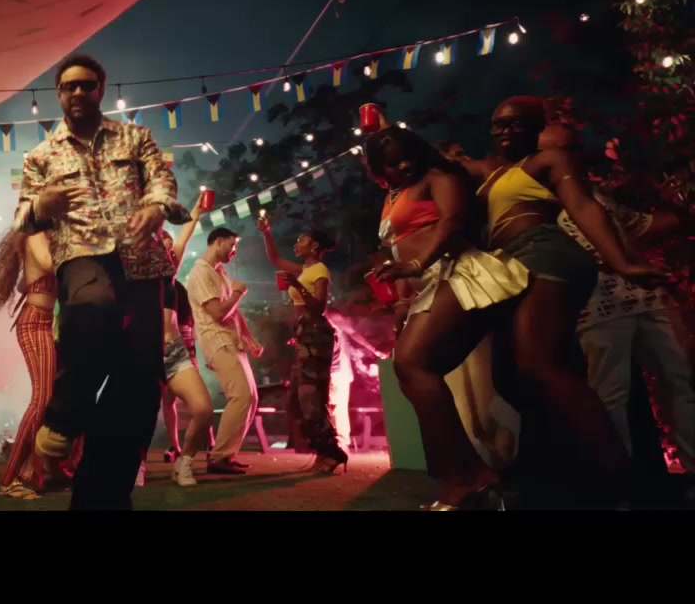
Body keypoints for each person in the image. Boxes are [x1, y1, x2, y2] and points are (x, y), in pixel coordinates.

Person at [460, 95, 665, 507]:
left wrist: (621, 262)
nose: (505, 130)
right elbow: (432, 165)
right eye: (498, 124)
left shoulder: (548, 161)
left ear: (537, 128)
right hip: (506, 268)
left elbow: (585, 207)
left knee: (537, 363)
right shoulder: (487, 170)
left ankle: (621, 477)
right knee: (512, 377)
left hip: (544, 252)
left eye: (516, 123)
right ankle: (568, 473)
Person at [16, 52, 188, 510]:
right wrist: (42, 207)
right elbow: (23, 217)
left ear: (101, 89)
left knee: (139, 387)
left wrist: (156, 207)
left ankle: (101, 496)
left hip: (142, 265)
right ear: (58, 94)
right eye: (68, 86)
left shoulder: (136, 137)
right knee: (92, 310)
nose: (77, 92)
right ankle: (65, 411)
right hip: (81, 259)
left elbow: (163, 182)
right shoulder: (40, 156)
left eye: (86, 85)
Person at [363, 125, 529, 509]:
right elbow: (399, 248)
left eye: (407, 157)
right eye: (392, 163)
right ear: (378, 169)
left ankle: (465, 477)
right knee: (411, 371)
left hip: (459, 271)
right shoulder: (393, 195)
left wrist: (417, 263)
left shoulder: (438, 176)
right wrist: (402, 299)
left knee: (412, 364)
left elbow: (452, 222)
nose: (404, 166)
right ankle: (468, 474)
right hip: (428, 285)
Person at [538, 125, 694, 474]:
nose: (569, 157)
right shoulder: (539, 207)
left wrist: (679, 204)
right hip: (597, 308)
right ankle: (620, 481)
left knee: (679, 383)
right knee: (610, 397)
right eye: (559, 151)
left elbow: (641, 225)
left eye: (571, 149)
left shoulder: (595, 195)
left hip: (646, 298)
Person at [0, 229, 82, 498]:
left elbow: (23, 284)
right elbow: (48, 264)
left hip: (45, 322)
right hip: (35, 322)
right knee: (42, 399)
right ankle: (9, 479)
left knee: (52, 398)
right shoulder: (37, 232)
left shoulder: (46, 238)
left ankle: (32, 470)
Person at [256, 217, 347, 473]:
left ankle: (332, 454)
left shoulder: (319, 271)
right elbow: (275, 259)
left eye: (301, 240)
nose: (296, 244)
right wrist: (267, 233)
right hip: (304, 336)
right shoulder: (305, 269)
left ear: (314, 246)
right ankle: (323, 452)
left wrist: (296, 285)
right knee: (296, 401)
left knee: (311, 399)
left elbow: (319, 308)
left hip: (316, 336)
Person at [186, 227, 263, 475]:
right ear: (218, 242)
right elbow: (218, 313)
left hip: (231, 340)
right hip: (217, 340)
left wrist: (249, 339)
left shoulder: (219, 272)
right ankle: (219, 457)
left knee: (250, 397)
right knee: (241, 396)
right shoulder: (200, 272)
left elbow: (232, 310)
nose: (234, 251)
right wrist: (238, 292)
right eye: (232, 245)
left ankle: (225, 455)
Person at [157, 212, 216, 487]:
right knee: (137, 415)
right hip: (140, 351)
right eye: (164, 250)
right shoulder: (131, 277)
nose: (170, 255)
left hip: (173, 352)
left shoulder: (169, 275)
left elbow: (187, 231)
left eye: (171, 251)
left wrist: (198, 209)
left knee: (203, 410)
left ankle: (184, 462)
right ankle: (136, 465)